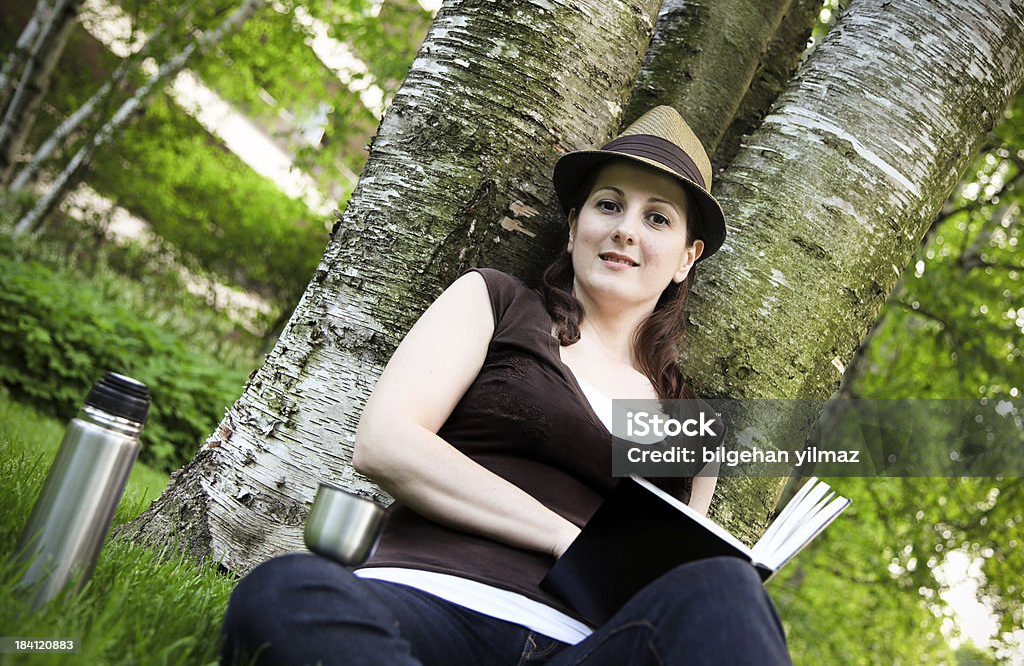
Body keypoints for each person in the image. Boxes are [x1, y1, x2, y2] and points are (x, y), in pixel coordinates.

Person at [220, 106, 793, 666]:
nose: (625, 229)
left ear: (686, 260)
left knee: (726, 588)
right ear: (574, 226)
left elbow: (672, 583)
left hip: (588, 646)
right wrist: (562, 536)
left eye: (657, 218)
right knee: (286, 590)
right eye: (609, 205)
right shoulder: (494, 303)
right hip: (421, 604)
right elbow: (385, 443)